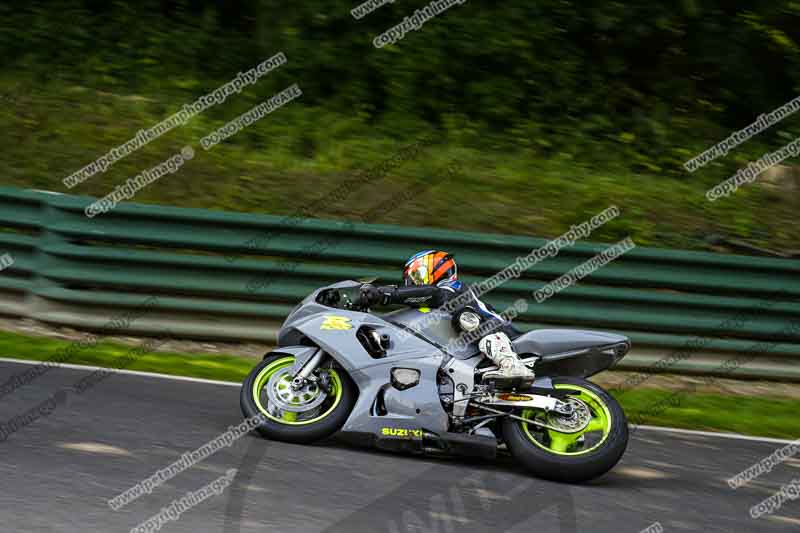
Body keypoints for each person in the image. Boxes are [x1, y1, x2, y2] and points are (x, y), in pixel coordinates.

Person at [359, 250, 534, 386]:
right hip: (478, 350)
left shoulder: (451, 287)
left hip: (503, 333)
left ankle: (510, 364)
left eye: (416, 275)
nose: (412, 282)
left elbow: (433, 294)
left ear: (437, 269)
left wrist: (386, 294)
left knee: (464, 317)